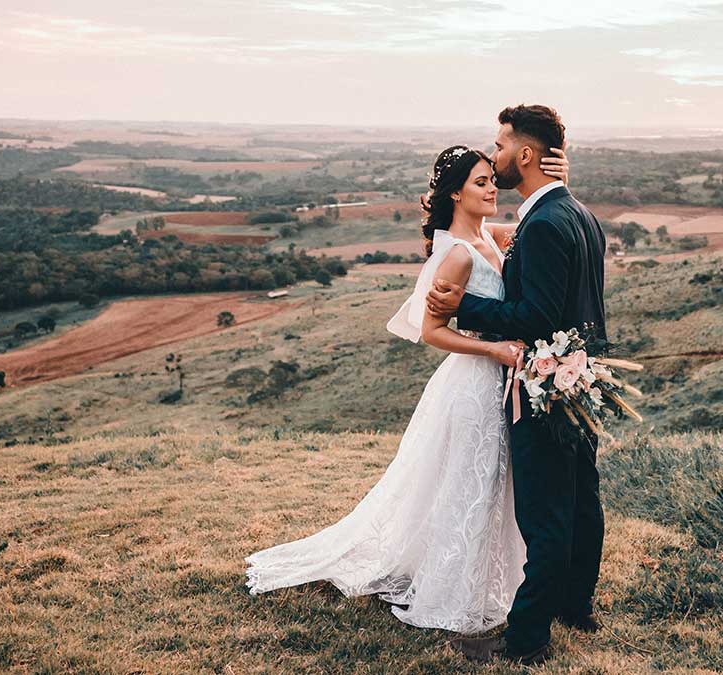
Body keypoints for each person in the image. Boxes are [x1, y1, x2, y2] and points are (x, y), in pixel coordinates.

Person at [243, 143, 569, 635]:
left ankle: (488, 582)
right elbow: (432, 332)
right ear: (456, 193)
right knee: (468, 486)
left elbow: (543, 222)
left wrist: (563, 176)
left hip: (498, 383)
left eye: (490, 180)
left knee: (489, 484)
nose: (491, 189)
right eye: (480, 183)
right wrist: (496, 350)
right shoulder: (457, 255)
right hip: (473, 383)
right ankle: (450, 588)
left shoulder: (490, 236)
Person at [428, 104, 607, 665]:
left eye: (501, 144)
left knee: (546, 515)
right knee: (581, 501)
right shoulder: (576, 212)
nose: (496, 154)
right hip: (578, 379)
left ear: (525, 155)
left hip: (546, 385)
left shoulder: (547, 222)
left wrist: (467, 304)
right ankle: (575, 606)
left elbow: (536, 315)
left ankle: (526, 636)